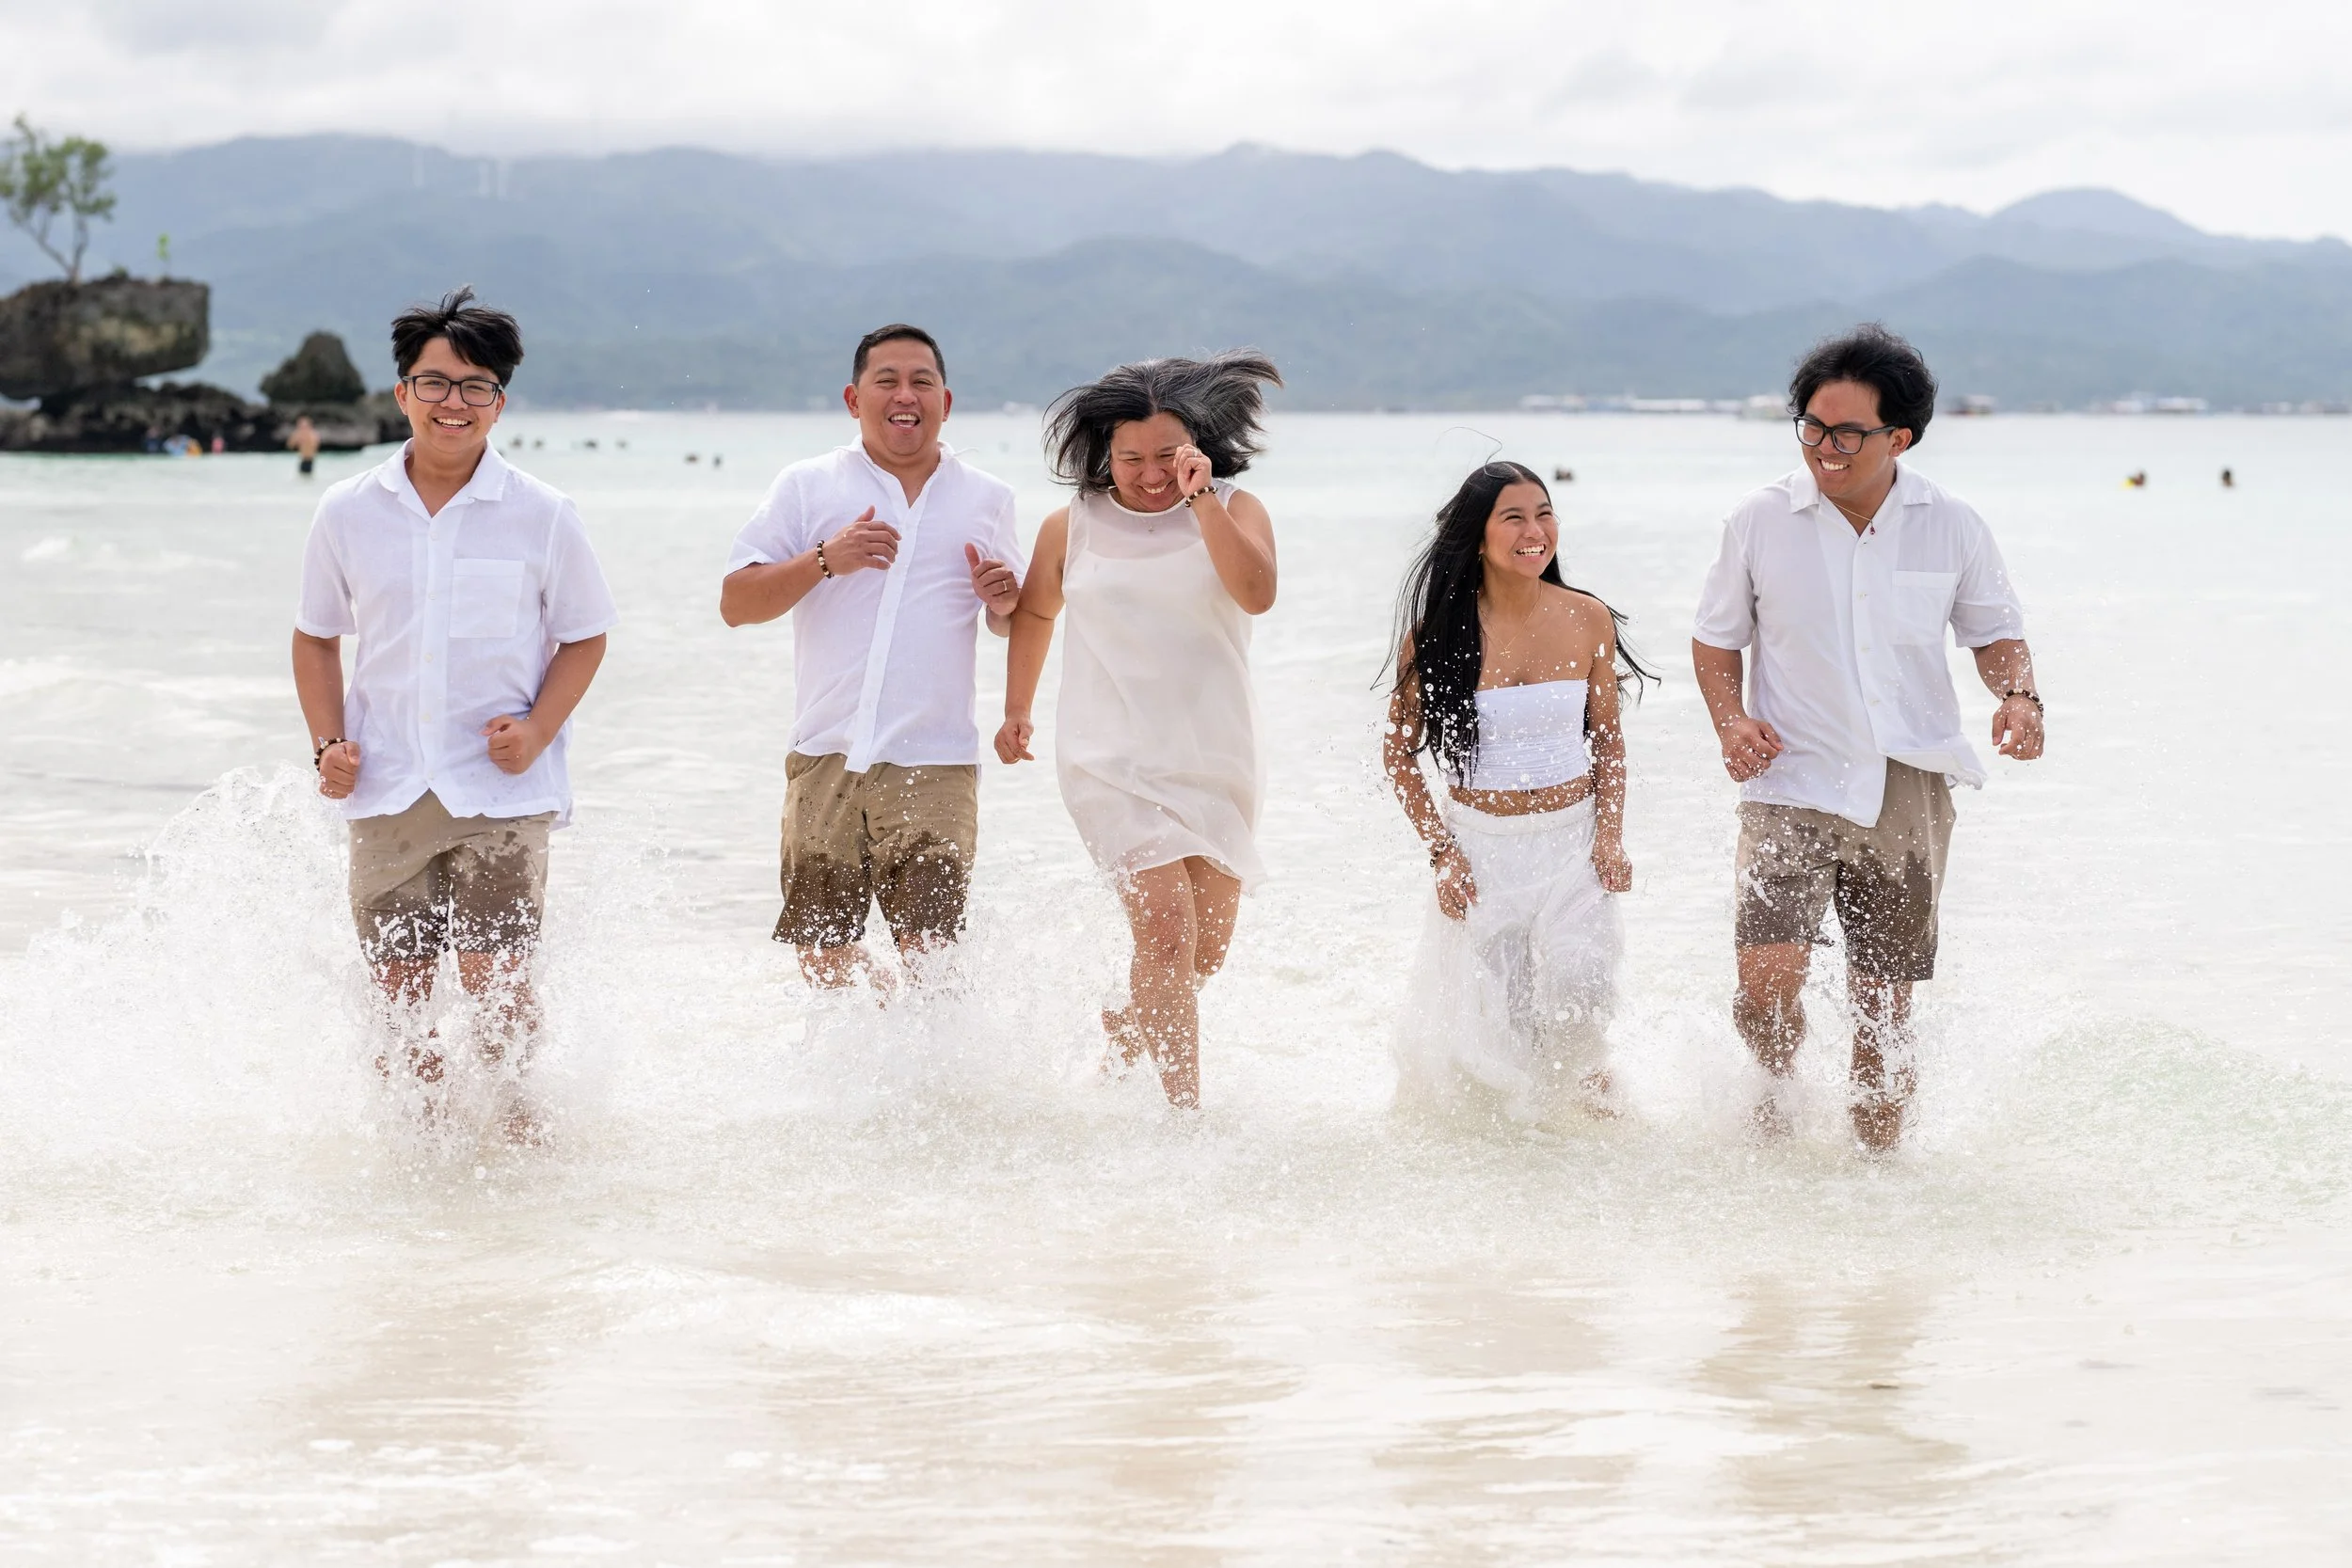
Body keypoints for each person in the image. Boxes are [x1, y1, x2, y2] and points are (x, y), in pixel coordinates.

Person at [1692, 324, 2043, 1153]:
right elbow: (1716, 640)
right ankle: (1771, 1113)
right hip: (1789, 778)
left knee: (1883, 1005)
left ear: (1900, 436)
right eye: (1811, 426)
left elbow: (1995, 633)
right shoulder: (1759, 519)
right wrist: (1731, 720)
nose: (1825, 446)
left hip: (1906, 785)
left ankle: (1875, 1178)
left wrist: (2020, 695)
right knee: (1765, 980)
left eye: (1846, 432)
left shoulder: (1951, 524)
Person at [292, 287, 617, 1140]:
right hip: (387, 785)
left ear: (499, 403)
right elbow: (316, 639)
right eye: (435, 383)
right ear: (401, 393)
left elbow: (585, 639)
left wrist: (539, 730)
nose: (454, 403)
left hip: (502, 794)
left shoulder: (544, 514)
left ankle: (518, 1140)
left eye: (476, 387)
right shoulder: (347, 512)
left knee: (496, 983)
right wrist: (327, 742)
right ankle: (429, 1163)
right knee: (396, 1003)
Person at [994, 352, 1281, 1108]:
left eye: (1167, 455)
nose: (1150, 473)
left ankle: (1128, 1024)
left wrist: (1202, 505)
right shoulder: (1074, 524)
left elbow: (1256, 594)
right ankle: (1183, 1118)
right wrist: (1017, 709)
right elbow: (1033, 613)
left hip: (1216, 755)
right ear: (1104, 455)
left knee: (1202, 953)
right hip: (1107, 758)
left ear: (1198, 449)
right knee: (1163, 930)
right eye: (1131, 458)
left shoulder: (1236, 508)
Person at [721, 325, 1024, 990]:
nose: (904, 394)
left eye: (921, 381)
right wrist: (827, 559)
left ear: (947, 400)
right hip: (824, 752)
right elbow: (737, 602)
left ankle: (941, 1080)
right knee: (823, 958)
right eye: (887, 380)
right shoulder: (806, 486)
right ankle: (882, 1077)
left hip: (936, 757)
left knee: (933, 958)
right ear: (854, 398)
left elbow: (1014, 620)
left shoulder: (988, 498)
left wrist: (1001, 601)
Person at [1382, 462, 1649, 1123]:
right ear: (1478, 536)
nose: (1536, 531)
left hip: (1572, 840)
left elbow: (1608, 741)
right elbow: (1397, 752)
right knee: (1503, 1028)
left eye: (1544, 513)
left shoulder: (1587, 618)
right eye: (1514, 518)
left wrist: (1610, 834)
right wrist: (1442, 852)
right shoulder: (1438, 635)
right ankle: (1526, 1162)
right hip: (1482, 850)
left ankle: (1588, 1110)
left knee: (1583, 990)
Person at [288, 413, 321, 477]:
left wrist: (306, 439)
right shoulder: (297, 434)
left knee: (308, 477)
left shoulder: (313, 434)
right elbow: (290, 446)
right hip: (302, 459)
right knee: (301, 477)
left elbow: (315, 446)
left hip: (310, 460)